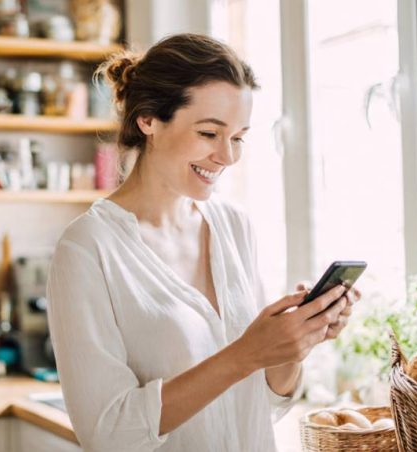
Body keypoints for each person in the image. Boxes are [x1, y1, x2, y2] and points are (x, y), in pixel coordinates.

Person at [46, 34, 360, 452]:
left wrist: (294, 342)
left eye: (239, 137)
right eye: (210, 133)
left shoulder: (234, 226)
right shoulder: (88, 249)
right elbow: (106, 434)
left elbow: (265, 400)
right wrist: (246, 354)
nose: (228, 157)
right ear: (149, 121)